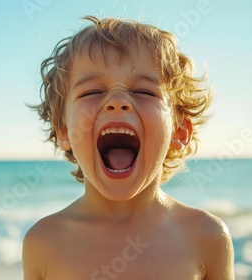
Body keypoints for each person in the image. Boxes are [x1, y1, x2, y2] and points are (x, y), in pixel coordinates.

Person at [23, 16, 234, 280]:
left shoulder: (207, 237)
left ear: (179, 131)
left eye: (144, 92)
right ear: (64, 131)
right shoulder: (43, 242)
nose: (117, 101)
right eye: (91, 92)